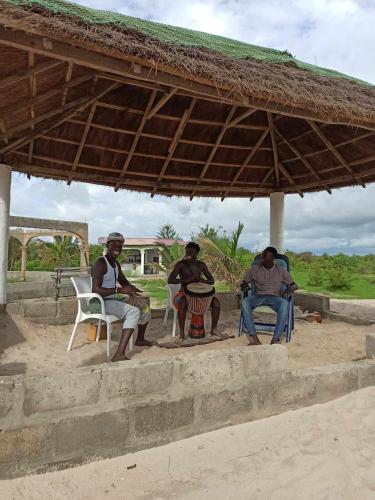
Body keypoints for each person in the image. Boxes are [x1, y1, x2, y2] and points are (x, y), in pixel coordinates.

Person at [91, 232, 152, 362]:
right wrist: (120, 290)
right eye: (114, 244)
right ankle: (119, 354)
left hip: (112, 298)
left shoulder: (115, 264)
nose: (117, 248)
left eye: (120, 245)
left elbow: (123, 282)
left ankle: (140, 339)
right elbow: (95, 289)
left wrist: (132, 289)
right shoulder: (101, 263)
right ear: (108, 245)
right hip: (100, 302)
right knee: (133, 311)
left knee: (144, 304)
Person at [241, 246, 297, 345]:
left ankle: (275, 339)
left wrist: (290, 288)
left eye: (264, 256)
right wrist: (244, 285)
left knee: (285, 304)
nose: (261, 258)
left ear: (272, 258)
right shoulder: (255, 269)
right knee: (245, 302)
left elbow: (294, 285)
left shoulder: (281, 271)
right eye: (262, 256)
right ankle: (254, 339)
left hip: (275, 298)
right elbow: (244, 282)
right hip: (258, 296)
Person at [168, 242, 221, 340]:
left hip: (200, 294)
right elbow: (170, 280)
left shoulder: (201, 265)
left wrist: (201, 280)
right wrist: (185, 280)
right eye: (187, 251)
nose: (189, 253)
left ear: (197, 254)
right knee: (183, 303)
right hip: (184, 292)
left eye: (192, 252)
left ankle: (214, 329)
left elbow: (211, 281)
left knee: (216, 302)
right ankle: (182, 334)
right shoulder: (180, 265)